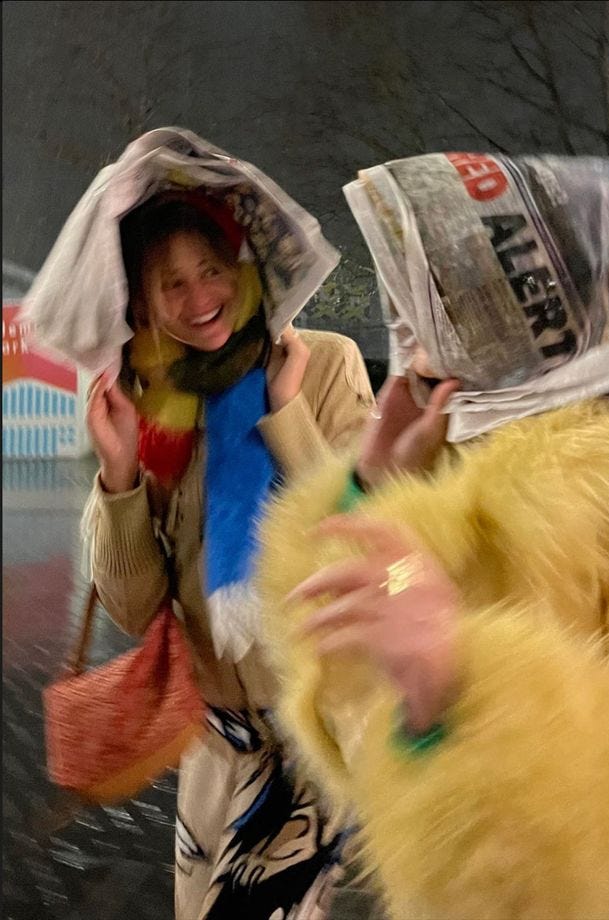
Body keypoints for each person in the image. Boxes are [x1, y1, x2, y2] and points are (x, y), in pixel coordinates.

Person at [254, 154, 609, 919]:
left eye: (452, 302)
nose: (417, 342)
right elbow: (359, 740)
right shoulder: (456, 478)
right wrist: (374, 492)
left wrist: (468, 687)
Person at [83, 189, 376, 918]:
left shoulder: (325, 365)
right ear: (145, 304)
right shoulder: (154, 409)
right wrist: (119, 476)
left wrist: (287, 411)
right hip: (213, 746)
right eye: (171, 283)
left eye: (211, 269)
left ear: (242, 270)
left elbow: (371, 542)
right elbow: (133, 608)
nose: (198, 297)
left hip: (316, 738)